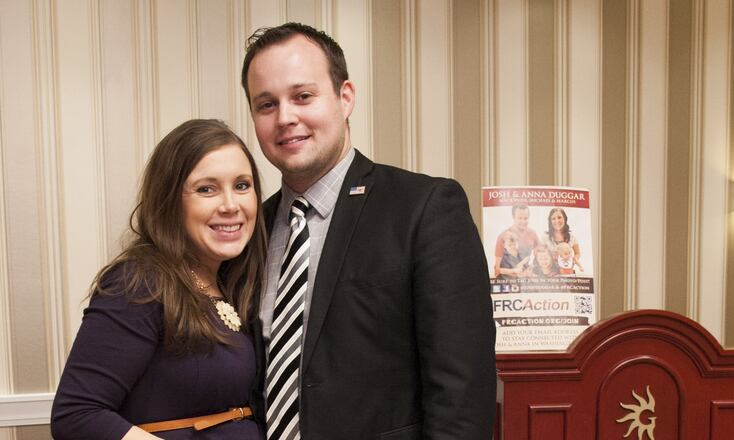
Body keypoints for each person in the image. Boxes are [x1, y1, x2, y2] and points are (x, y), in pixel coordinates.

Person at [242, 22, 496, 439]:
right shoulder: (252, 230)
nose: (286, 117)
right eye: (266, 104)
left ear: (345, 98)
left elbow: (462, 392)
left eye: (303, 96)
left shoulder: (424, 208)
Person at [51, 119, 266, 439]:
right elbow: (76, 415)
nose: (230, 205)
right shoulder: (140, 282)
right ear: (170, 201)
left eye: (242, 185)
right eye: (206, 188)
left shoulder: (230, 282)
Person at [493, 204, 540, 277]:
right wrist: (514, 271)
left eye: (526, 218)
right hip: (507, 280)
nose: (523, 221)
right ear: (513, 217)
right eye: (520, 218)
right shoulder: (502, 236)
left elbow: (539, 257)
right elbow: (497, 269)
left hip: (525, 280)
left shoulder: (533, 234)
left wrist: (530, 269)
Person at [543, 207, 583, 272]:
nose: (557, 221)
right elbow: (540, 254)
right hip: (550, 273)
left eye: (559, 217)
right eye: (553, 219)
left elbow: (577, 253)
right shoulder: (545, 238)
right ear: (550, 222)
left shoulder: (572, 237)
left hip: (566, 271)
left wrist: (574, 259)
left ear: (565, 219)